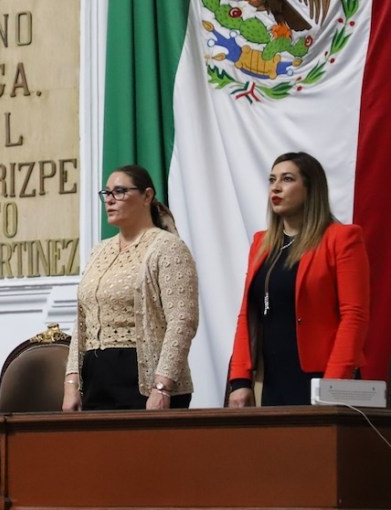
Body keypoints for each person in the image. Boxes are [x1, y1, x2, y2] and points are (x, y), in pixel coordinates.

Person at [228, 152, 370, 407]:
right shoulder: (262, 244)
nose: (276, 187)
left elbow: (354, 315)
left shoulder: (341, 239)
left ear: (310, 188)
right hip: (270, 379)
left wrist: (334, 384)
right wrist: (240, 380)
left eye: (287, 179)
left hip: (322, 377)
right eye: (272, 180)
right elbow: (246, 315)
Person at [62, 165, 199, 411]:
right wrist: (71, 381)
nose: (110, 200)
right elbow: (81, 320)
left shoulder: (167, 247)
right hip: (97, 379)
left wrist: (162, 386)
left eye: (120, 192)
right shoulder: (98, 251)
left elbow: (182, 321)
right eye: (107, 193)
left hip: (145, 381)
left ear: (147, 196)